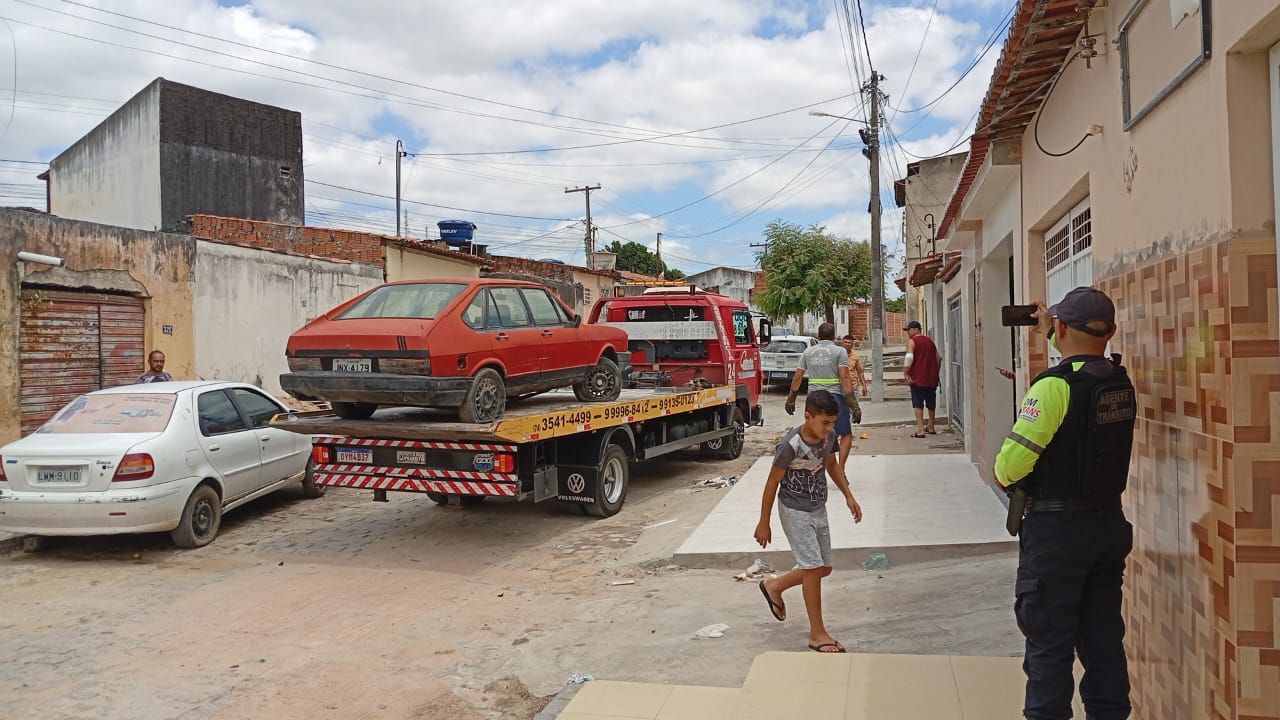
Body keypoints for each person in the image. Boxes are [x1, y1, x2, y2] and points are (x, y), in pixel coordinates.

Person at [994, 287, 1137, 720]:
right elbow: (1083, 372)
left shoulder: (1053, 387)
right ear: (1111, 332)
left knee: (1049, 645)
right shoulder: (1118, 380)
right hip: (1108, 526)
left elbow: (1009, 468)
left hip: (1057, 537)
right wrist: (1053, 333)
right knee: (1103, 643)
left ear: (1059, 327)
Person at [755, 390, 863, 653]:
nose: (829, 429)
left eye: (832, 423)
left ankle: (774, 586)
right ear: (807, 416)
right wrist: (764, 521)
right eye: (824, 422)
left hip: (817, 507)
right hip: (794, 509)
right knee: (813, 568)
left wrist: (849, 496)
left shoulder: (829, 438)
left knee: (824, 568)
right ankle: (817, 633)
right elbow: (771, 483)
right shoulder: (790, 445)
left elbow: (832, 465)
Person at [785, 323, 861, 467]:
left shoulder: (808, 352)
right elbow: (844, 377)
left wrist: (791, 399)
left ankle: (818, 465)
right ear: (834, 336)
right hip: (834, 397)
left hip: (813, 398)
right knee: (845, 433)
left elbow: (797, 376)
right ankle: (840, 468)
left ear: (818, 336)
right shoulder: (840, 351)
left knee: (815, 433)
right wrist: (854, 406)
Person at [903, 320, 941, 438]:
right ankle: (931, 426)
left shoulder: (912, 341)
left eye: (909, 330)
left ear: (916, 330)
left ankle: (920, 430)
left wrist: (906, 373)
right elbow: (939, 358)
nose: (908, 333)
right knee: (931, 402)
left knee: (918, 404)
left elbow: (909, 357)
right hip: (931, 379)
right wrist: (935, 373)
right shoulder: (930, 341)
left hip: (917, 378)